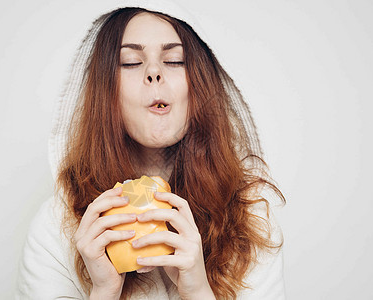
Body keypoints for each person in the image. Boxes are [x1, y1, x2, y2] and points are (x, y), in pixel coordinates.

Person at [17, 2, 286, 299]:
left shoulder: (249, 218)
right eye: (131, 62)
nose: (154, 72)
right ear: (106, 90)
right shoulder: (56, 229)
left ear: (198, 85)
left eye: (174, 60)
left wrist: (198, 291)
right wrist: (104, 290)